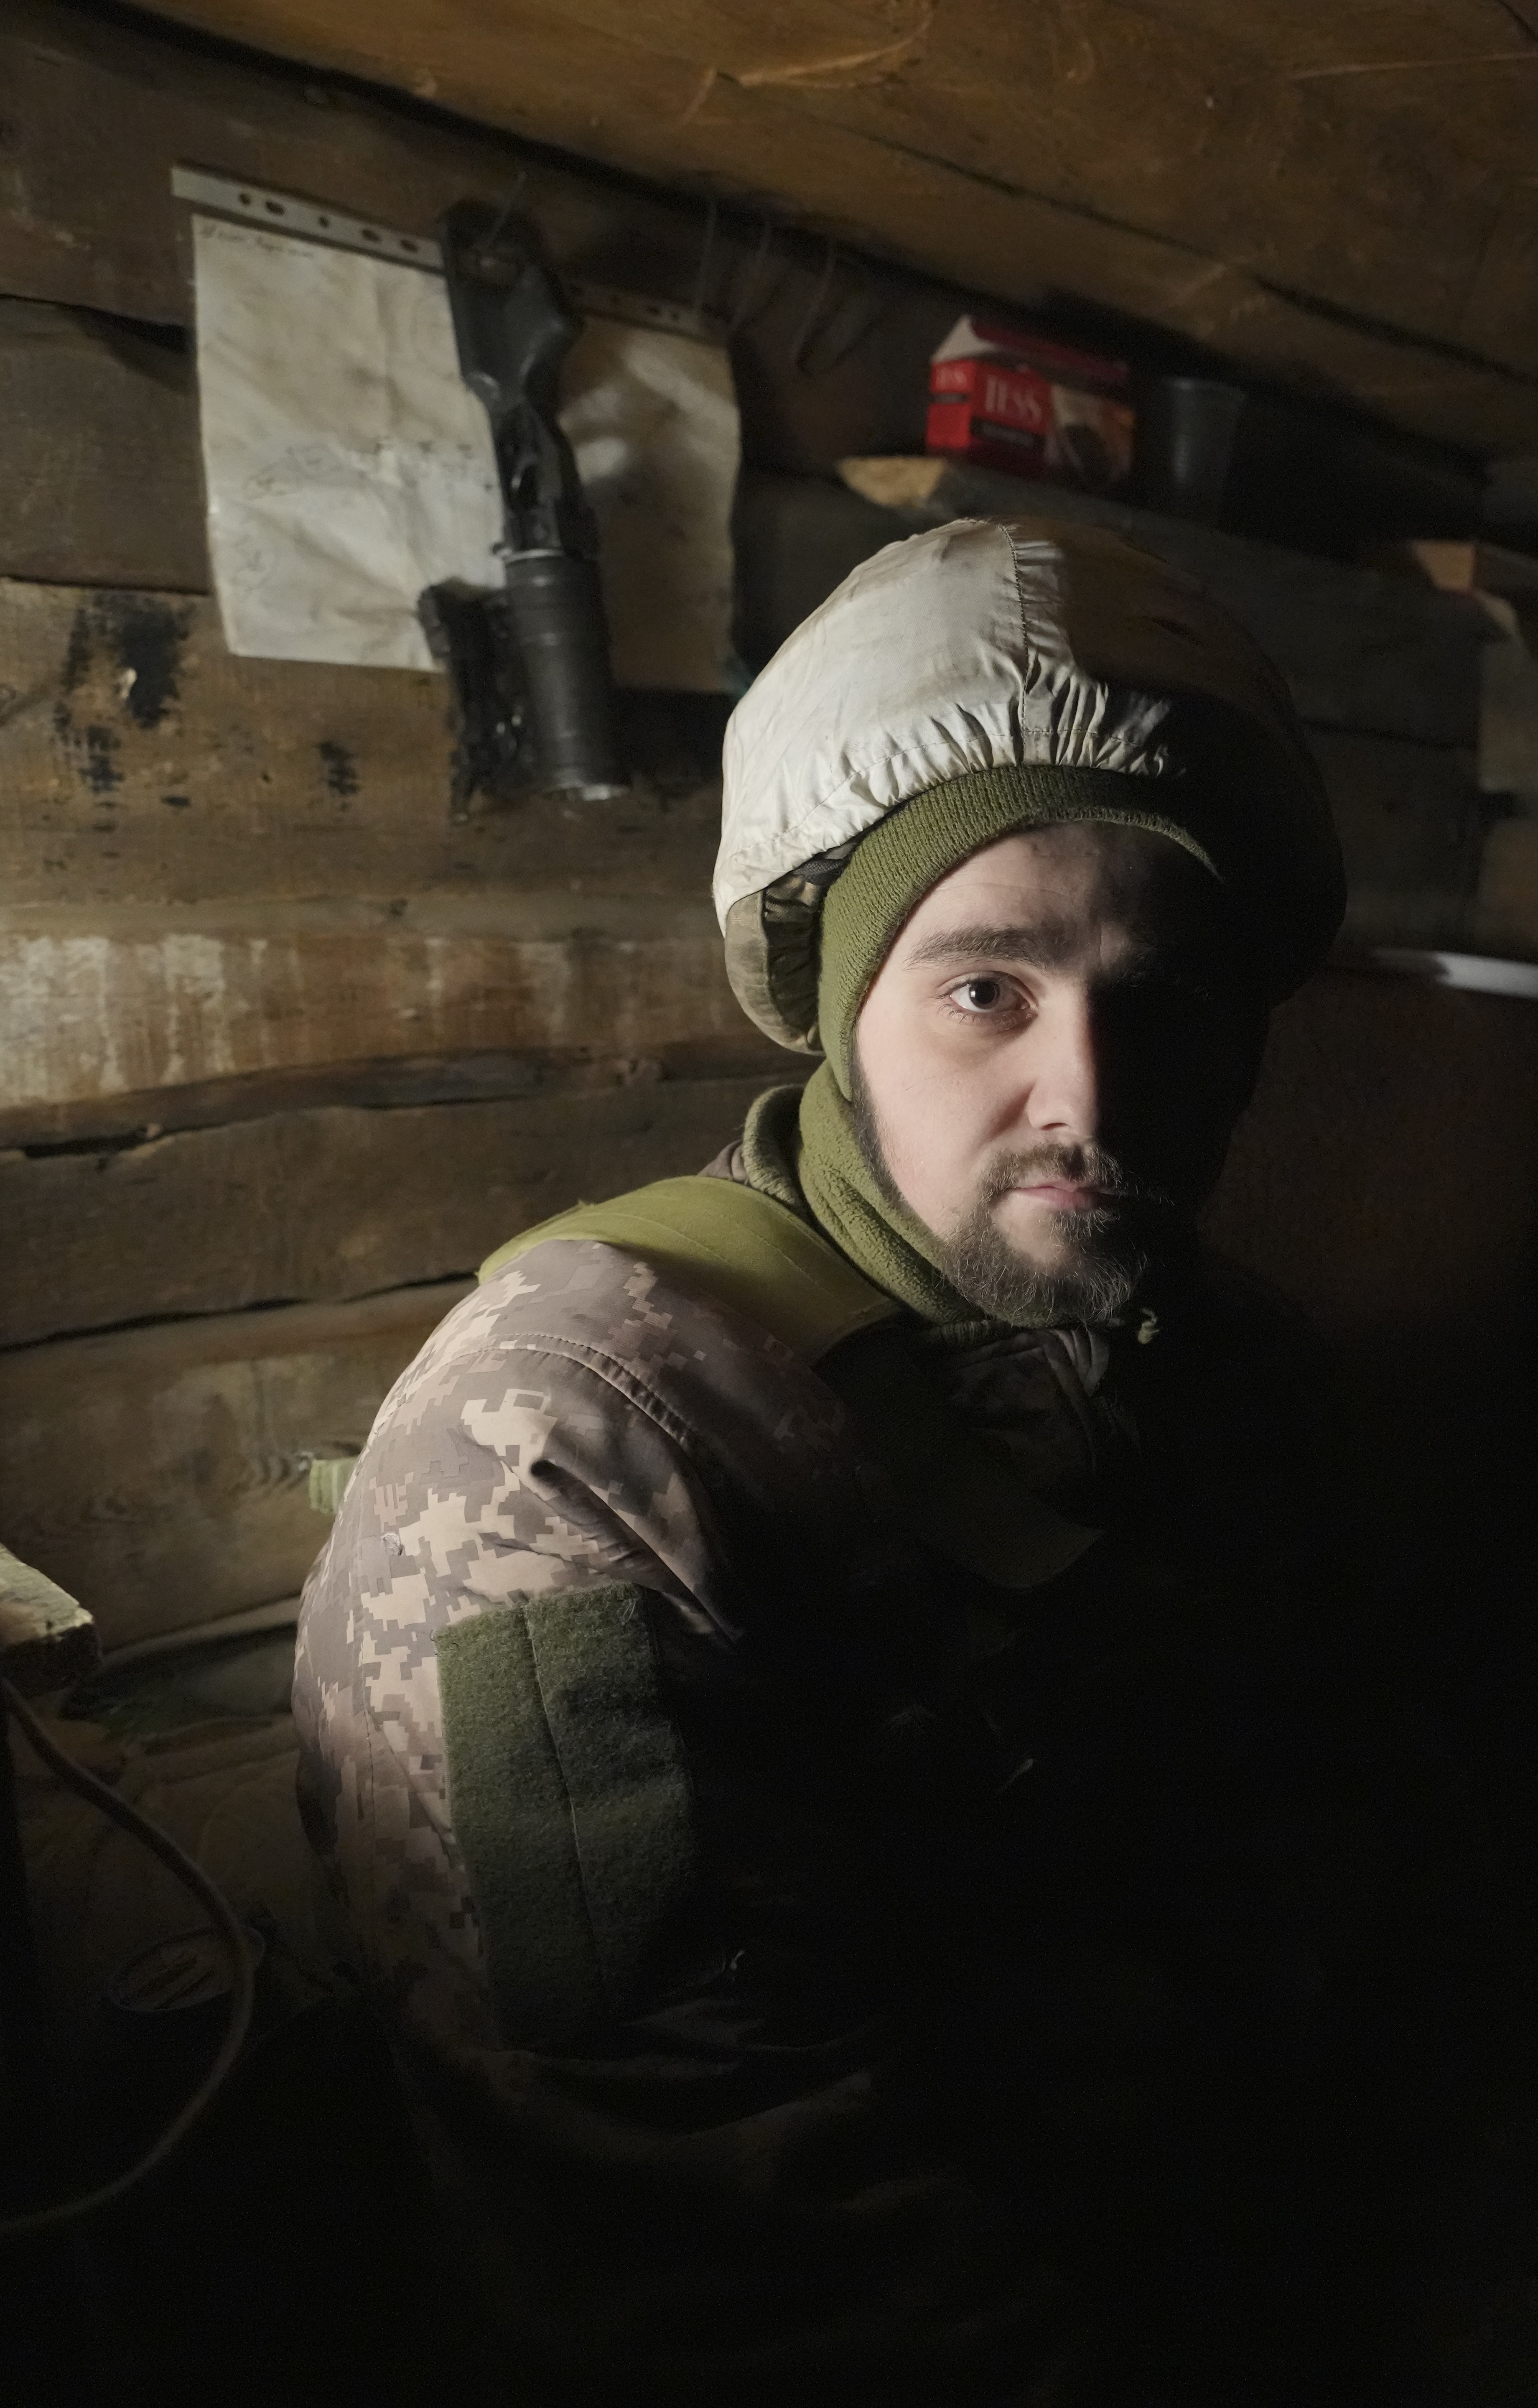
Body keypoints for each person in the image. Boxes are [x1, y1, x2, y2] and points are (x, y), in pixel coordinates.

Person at [291, 517, 1381, 2400]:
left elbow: (1383, 1895)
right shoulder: (572, 1447)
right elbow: (700, 2229)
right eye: (987, 989)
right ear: (839, 1015)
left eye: (1166, 994)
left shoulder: (1236, 1366)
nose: (1090, 1099)